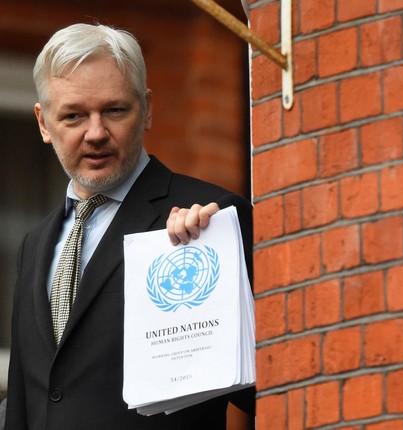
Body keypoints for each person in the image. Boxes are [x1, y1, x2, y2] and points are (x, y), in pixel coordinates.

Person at [4, 23, 254, 430]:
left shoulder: (213, 221)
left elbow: (271, 387)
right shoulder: (35, 245)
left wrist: (214, 282)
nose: (96, 133)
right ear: (43, 123)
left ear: (148, 108)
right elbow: (25, 400)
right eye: (73, 116)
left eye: (115, 110)